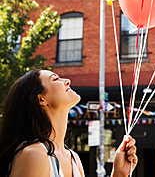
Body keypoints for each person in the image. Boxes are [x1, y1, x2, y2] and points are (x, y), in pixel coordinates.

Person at [0, 69, 138, 177]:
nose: (67, 81)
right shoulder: (34, 154)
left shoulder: (73, 158)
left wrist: (118, 173)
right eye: (55, 79)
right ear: (41, 100)